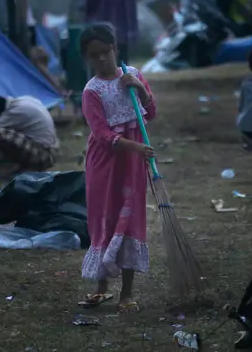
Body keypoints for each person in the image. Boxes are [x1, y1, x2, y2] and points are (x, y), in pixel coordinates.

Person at [77, 23, 156, 314]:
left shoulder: (133, 75)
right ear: (87, 58)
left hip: (132, 166)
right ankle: (100, 289)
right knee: (104, 220)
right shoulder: (91, 91)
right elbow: (102, 135)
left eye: (105, 52)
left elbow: (152, 112)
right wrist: (135, 147)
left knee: (131, 221)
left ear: (115, 49)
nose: (101, 59)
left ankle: (127, 293)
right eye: (93, 55)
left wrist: (140, 91)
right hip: (105, 164)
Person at [0, 94, 59, 172]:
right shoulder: (24, 100)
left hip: (45, 156)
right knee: (3, 135)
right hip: (52, 149)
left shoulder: (11, 114)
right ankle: (21, 165)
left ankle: (25, 166)